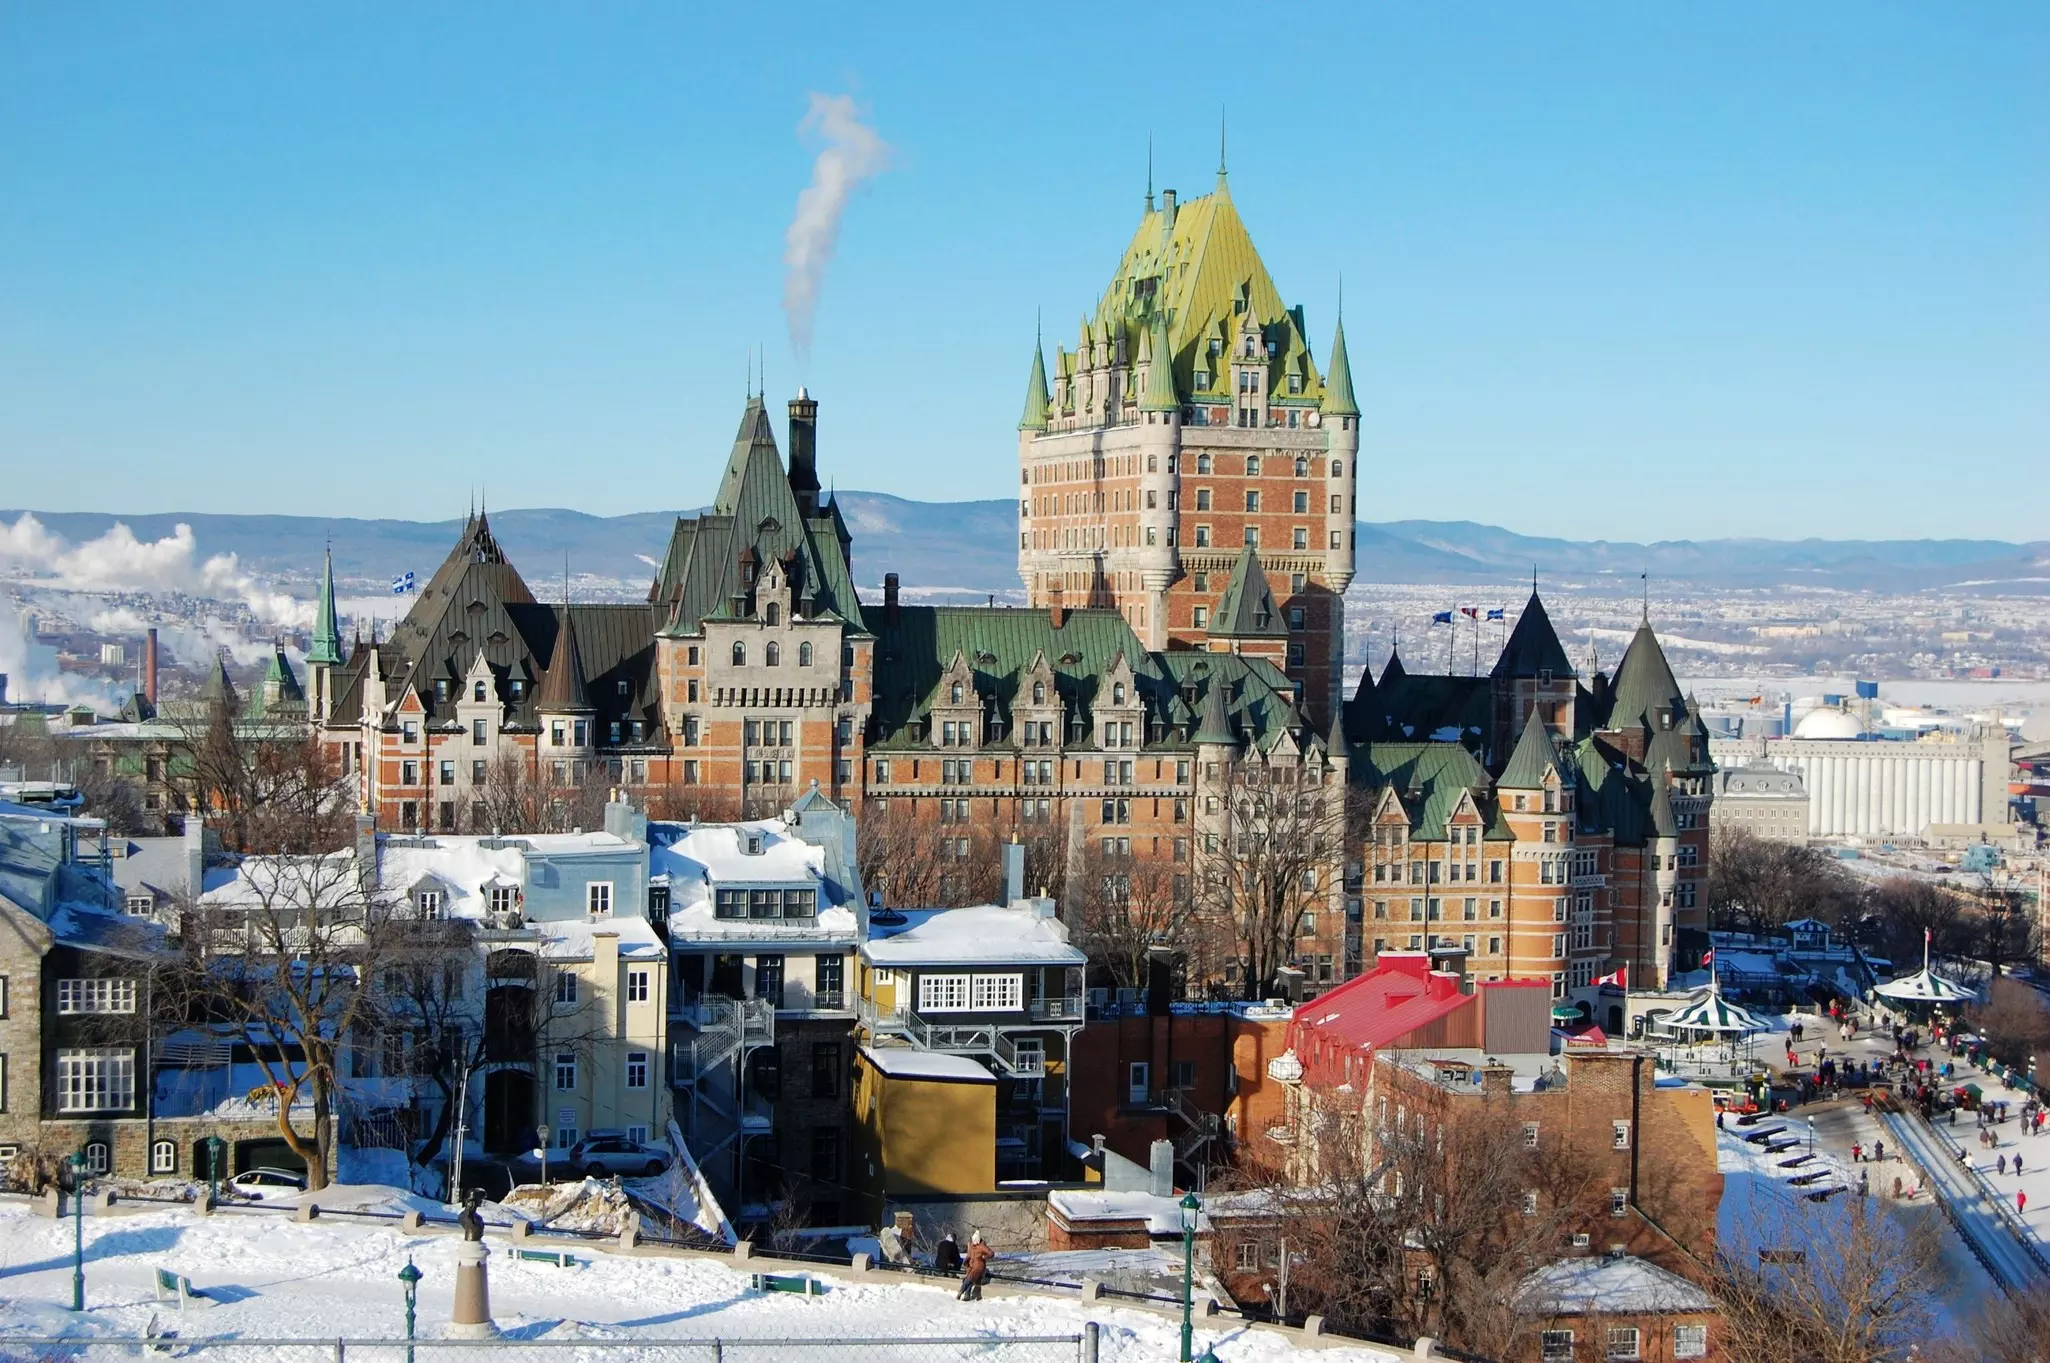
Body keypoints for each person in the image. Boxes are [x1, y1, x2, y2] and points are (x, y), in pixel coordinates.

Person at [959, 1230, 995, 1302]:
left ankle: (960, 1292)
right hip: (971, 1266)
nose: (973, 1243)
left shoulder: (982, 1246)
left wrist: (984, 1257)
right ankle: (967, 1295)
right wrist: (966, 1262)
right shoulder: (972, 1246)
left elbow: (991, 1253)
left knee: (969, 1279)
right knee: (969, 1279)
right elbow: (969, 1255)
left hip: (978, 1267)